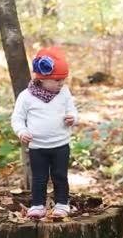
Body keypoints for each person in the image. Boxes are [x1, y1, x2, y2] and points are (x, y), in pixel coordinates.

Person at [11, 46, 78, 218]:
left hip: (61, 145)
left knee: (60, 176)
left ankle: (62, 203)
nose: (61, 83)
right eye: (57, 80)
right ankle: (37, 205)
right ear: (42, 78)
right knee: (39, 177)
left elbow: (72, 110)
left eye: (63, 79)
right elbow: (17, 118)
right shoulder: (26, 97)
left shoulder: (64, 93)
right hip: (37, 147)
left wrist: (72, 118)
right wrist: (21, 131)